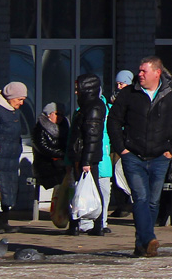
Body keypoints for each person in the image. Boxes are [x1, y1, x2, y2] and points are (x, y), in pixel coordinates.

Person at [107, 57, 172, 258]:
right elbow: (114, 121)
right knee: (140, 198)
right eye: (140, 71)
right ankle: (149, 237)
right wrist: (122, 149)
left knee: (153, 201)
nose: (140, 74)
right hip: (133, 155)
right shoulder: (129, 93)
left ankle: (141, 244)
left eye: (144, 71)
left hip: (160, 156)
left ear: (157, 73)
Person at [67, 74, 108, 236]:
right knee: (78, 189)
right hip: (81, 155)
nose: (76, 92)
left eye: (78, 89)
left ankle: (95, 224)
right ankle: (76, 223)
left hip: (86, 157)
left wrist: (87, 161)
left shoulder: (94, 107)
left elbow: (92, 136)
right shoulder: (86, 106)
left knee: (90, 189)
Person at [0, 82, 27, 234]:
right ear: (11, 97)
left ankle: (3, 221)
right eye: (19, 99)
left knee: (8, 190)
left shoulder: (13, 111)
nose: (21, 103)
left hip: (10, 157)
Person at [108, 70, 134, 219]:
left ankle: (129, 204)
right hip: (114, 143)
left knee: (126, 174)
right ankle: (121, 205)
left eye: (122, 83)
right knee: (114, 175)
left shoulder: (132, 98)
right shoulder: (112, 100)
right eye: (117, 83)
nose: (119, 86)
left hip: (127, 142)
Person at [32, 102, 68, 192]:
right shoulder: (40, 127)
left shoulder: (64, 126)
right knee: (61, 176)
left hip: (61, 162)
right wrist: (61, 154)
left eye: (62, 114)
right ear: (49, 114)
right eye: (57, 114)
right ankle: (59, 201)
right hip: (45, 163)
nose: (60, 117)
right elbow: (42, 147)